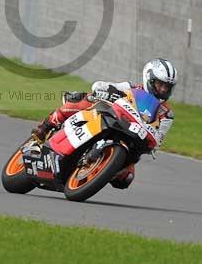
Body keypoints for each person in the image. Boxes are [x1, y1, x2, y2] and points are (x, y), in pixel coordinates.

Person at [31, 58, 178, 189]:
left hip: (134, 141)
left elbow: (159, 138)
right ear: (149, 78)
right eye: (160, 84)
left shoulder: (166, 114)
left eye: (167, 87)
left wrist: (152, 143)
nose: (163, 89)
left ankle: (98, 170)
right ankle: (46, 126)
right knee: (84, 99)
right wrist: (103, 90)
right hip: (112, 120)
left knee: (125, 179)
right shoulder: (130, 88)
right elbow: (101, 86)